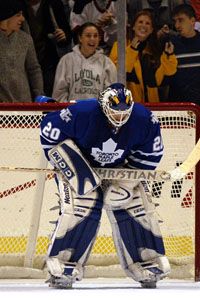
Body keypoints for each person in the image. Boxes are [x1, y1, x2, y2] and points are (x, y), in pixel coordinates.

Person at [40, 82, 171, 289]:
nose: (120, 118)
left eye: (124, 112)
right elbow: (49, 133)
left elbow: (151, 154)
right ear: (103, 106)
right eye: (114, 112)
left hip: (120, 168)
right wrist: (74, 166)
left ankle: (147, 262)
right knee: (83, 205)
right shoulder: (82, 112)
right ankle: (63, 264)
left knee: (134, 205)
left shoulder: (143, 118)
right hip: (81, 163)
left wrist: (126, 184)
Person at [110, 10, 177, 103]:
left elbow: (166, 75)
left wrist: (169, 55)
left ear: (152, 30)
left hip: (152, 106)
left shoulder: (154, 50)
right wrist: (132, 50)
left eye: (148, 23)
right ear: (133, 26)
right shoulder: (119, 45)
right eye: (140, 22)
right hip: (126, 105)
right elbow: (115, 73)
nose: (143, 25)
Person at [52, 22, 117, 102]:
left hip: (96, 112)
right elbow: (59, 93)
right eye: (88, 36)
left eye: (95, 36)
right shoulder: (66, 60)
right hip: (73, 112)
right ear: (80, 38)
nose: (92, 39)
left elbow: (111, 94)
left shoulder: (107, 63)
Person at [21, 0, 72, 96]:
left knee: (47, 96)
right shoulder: (18, 4)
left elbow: (67, 34)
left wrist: (63, 35)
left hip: (48, 59)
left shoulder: (54, 3)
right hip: (23, 59)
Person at [0, 0, 44, 103]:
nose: (22, 19)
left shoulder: (26, 39)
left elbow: (34, 70)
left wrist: (39, 96)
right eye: (18, 15)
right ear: (6, 16)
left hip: (23, 103)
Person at [166, 3, 200, 103]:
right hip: (179, 105)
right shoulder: (171, 43)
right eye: (175, 21)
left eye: (181, 20)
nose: (176, 25)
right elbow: (167, 77)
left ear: (192, 21)